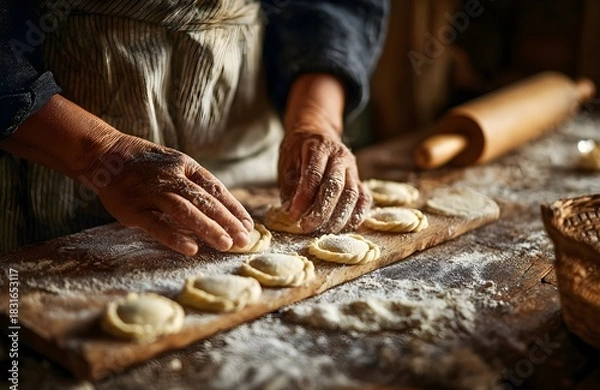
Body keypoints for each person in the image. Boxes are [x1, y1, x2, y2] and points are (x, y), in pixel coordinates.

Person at [0, 0, 389, 255]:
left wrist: (315, 119)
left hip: (250, 164)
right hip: (49, 167)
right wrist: (98, 152)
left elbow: (336, 6)